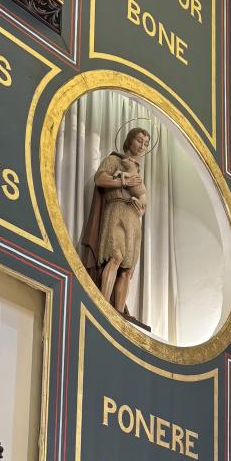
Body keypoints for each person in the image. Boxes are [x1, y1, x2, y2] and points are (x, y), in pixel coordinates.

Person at [79, 126, 151, 325]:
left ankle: (119, 314)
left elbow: (143, 195)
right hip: (116, 210)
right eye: (139, 140)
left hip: (133, 218)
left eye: (145, 143)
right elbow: (100, 179)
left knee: (128, 268)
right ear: (129, 140)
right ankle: (102, 303)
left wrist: (142, 206)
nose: (141, 145)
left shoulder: (137, 169)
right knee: (115, 257)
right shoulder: (114, 160)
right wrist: (123, 182)